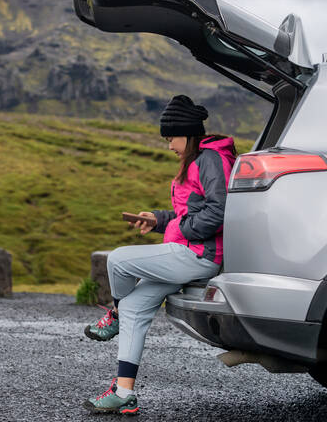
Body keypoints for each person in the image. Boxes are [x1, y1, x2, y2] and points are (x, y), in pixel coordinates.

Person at [82, 94, 237, 415]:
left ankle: (115, 313)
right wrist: (157, 219)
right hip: (187, 249)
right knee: (137, 308)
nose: (169, 146)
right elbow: (188, 212)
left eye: (172, 139)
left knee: (118, 259)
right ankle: (124, 392)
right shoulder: (197, 160)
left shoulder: (209, 159)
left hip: (200, 254)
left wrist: (186, 230)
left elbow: (219, 210)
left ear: (189, 133)